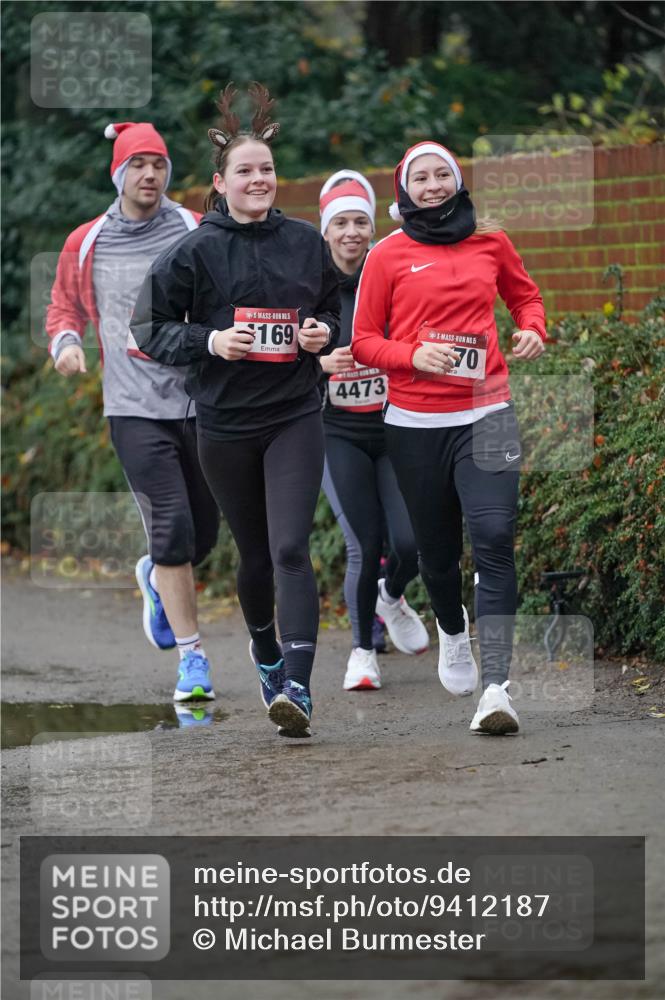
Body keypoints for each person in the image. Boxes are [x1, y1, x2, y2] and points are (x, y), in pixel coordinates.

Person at [130, 84, 340, 737]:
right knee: (251, 554)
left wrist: (321, 334)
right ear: (219, 185)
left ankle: (299, 690)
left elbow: (331, 309)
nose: (259, 179)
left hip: (293, 414)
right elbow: (148, 325)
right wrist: (210, 340)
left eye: (266, 170)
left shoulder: (306, 243)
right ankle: (268, 657)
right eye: (245, 171)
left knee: (288, 548)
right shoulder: (195, 250)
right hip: (221, 423)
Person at [352, 141, 547, 735]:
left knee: (494, 535)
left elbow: (525, 295)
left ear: (458, 182)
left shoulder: (492, 240)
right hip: (414, 425)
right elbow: (363, 341)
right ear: (403, 189)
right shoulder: (386, 255)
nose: (433, 185)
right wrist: (414, 354)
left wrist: (532, 329)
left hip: (488, 412)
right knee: (435, 556)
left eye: (443, 175)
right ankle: (453, 633)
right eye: (421, 177)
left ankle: (496, 689)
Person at [46, 121, 220, 704]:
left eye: (159, 164)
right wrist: (66, 343)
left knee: (205, 532)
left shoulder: (193, 227)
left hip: (198, 401)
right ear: (119, 173)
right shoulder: (87, 241)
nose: (150, 174)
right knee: (171, 526)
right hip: (132, 407)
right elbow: (62, 307)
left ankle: (154, 576)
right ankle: (192, 661)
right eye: (138, 164)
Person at [318, 170, 429, 691]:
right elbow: (283, 357)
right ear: (325, 231)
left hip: (394, 430)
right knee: (364, 542)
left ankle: (392, 595)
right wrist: (319, 365)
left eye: (361, 220)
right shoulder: (308, 286)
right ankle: (363, 651)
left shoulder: (391, 276)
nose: (352, 232)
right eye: (340, 222)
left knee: (410, 541)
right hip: (336, 435)